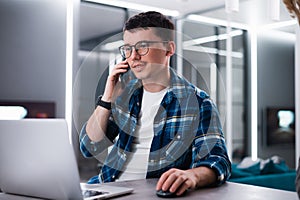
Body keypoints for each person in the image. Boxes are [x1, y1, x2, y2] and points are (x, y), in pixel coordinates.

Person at [79, 11, 231, 196]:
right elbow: (89, 147)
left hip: (149, 194)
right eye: (128, 48)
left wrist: (192, 176)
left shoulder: (198, 102)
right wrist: (108, 97)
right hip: (104, 189)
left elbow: (217, 161)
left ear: (169, 49)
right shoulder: (125, 97)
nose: (133, 56)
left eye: (142, 47)